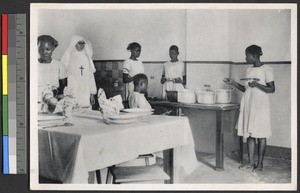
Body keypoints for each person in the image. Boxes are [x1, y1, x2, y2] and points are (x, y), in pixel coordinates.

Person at [224, 45, 275, 172]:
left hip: (260, 106)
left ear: (253, 56)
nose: (245, 58)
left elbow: (272, 89)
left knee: (261, 134)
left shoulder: (267, 69)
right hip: (249, 104)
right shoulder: (248, 70)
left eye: (246, 55)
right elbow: (246, 89)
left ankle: (260, 164)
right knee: (250, 134)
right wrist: (234, 83)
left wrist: (257, 84)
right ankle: (251, 163)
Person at [61, 35, 97, 108]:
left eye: (83, 43)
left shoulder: (87, 58)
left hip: (85, 91)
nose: (82, 45)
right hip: (73, 90)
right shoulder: (68, 57)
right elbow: (63, 77)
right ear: (74, 43)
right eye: (79, 43)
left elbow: (91, 77)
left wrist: (92, 94)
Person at [38, 35, 68, 112]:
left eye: (48, 49)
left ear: (53, 48)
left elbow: (63, 88)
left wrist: (54, 95)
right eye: (41, 49)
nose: (44, 52)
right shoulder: (32, 64)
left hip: (53, 102)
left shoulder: (59, 65)